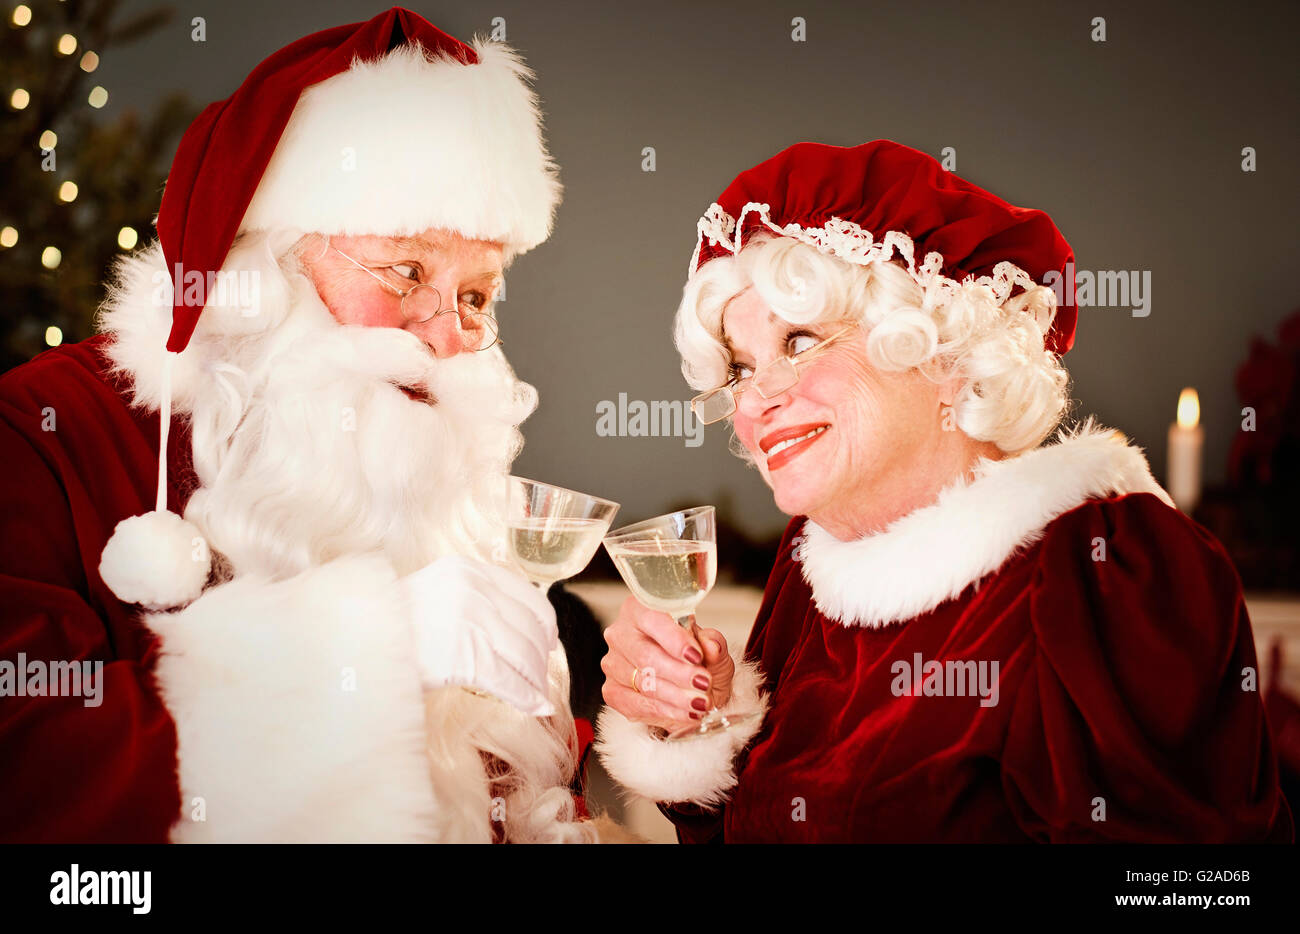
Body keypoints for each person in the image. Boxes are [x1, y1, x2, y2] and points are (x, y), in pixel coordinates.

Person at [0, 8, 615, 843]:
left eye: (476, 295)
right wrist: (366, 659)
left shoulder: (427, 467)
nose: (446, 337)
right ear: (269, 266)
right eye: (407, 272)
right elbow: (30, 766)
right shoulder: (47, 431)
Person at [595, 140, 1295, 843]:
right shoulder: (810, 569)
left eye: (801, 342)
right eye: (740, 370)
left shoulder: (1102, 568)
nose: (756, 402)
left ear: (941, 351)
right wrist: (702, 720)